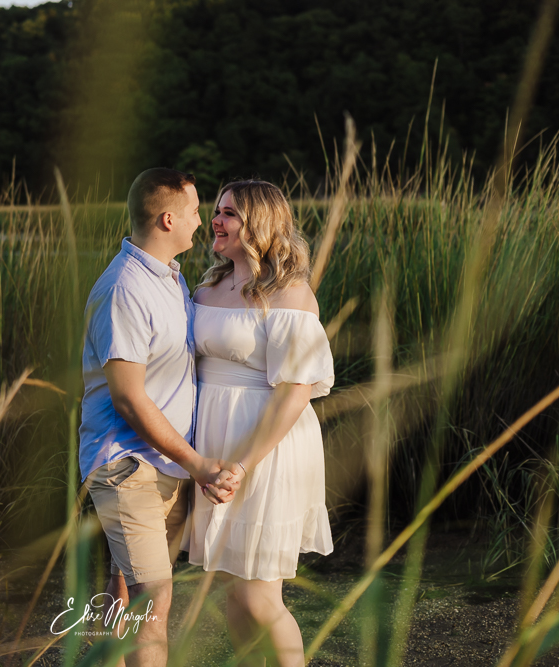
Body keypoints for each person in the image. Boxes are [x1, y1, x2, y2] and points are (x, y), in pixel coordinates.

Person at [80, 167, 239, 666]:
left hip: (160, 463)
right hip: (126, 463)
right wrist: (199, 464)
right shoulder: (126, 288)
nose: (204, 221)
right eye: (196, 212)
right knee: (155, 596)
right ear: (168, 218)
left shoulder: (168, 277)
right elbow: (128, 398)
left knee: (125, 582)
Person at [185, 179, 335, 667]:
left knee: (258, 594)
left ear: (259, 225)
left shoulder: (289, 294)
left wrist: (244, 464)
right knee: (231, 585)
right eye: (216, 211)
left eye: (228, 212)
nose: (215, 220)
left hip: (264, 446)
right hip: (211, 441)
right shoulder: (208, 285)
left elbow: (295, 392)